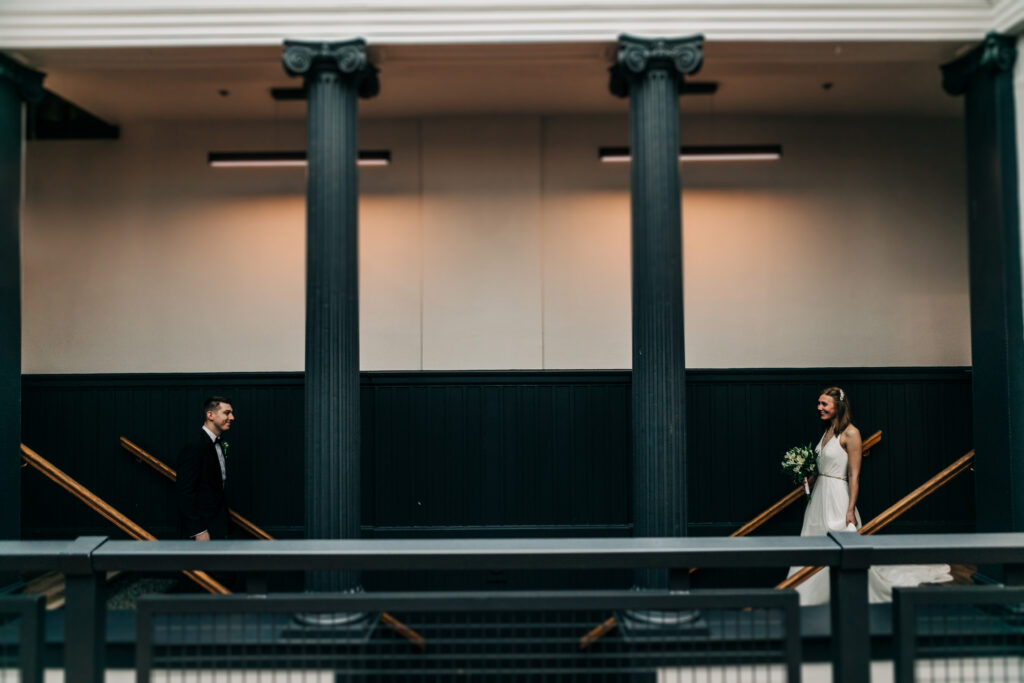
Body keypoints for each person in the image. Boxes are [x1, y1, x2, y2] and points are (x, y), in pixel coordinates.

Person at [787, 387, 951, 605]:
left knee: (837, 541)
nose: (819, 408)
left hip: (837, 496)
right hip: (818, 496)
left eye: (824, 404)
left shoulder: (852, 433)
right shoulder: (826, 431)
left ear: (839, 405)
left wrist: (850, 509)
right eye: (819, 403)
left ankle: (836, 594)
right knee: (812, 541)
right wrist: (809, 479)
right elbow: (822, 468)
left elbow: (854, 474)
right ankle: (807, 593)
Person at [177, 396, 234, 541]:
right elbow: (185, 491)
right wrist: (198, 530)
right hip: (203, 529)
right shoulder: (194, 445)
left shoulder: (221, 443)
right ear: (210, 415)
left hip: (219, 525)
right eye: (227, 413)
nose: (232, 417)